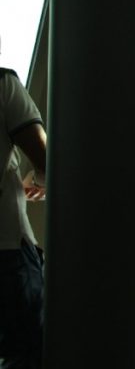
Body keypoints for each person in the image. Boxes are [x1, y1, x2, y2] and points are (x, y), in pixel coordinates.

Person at [0, 55, 47, 369]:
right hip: (6, 249)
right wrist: (42, 178)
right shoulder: (4, 83)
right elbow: (45, 158)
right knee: (28, 351)